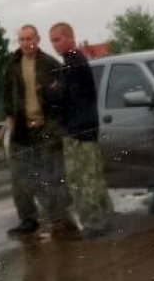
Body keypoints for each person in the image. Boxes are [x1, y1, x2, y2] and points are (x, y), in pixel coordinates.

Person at [2, 25, 78, 239]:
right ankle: (28, 219)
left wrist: (58, 123)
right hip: (21, 129)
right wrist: (9, 118)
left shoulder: (50, 64)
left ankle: (60, 219)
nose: (26, 43)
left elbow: (63, 98)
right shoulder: (12, 64)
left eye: (29, 39)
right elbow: (7, 94)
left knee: (52, 175)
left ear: (38, 39)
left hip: (47, 128)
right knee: (20, 176)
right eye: (22, 39)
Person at [49, 22, 114, 238]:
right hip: (85, 129)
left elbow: (69, 100)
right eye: (52, 41)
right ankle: (103, 219)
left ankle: (94, 224)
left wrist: (55, 93)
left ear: (69, 37)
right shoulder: (75, 61)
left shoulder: (73, 63)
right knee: (93, 178)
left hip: (78, 132)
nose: (54, 45)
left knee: (82, 181)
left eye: (57, 39)